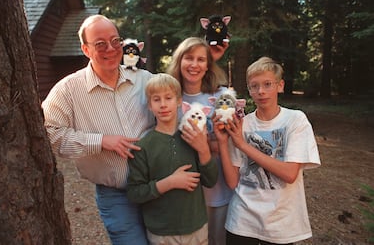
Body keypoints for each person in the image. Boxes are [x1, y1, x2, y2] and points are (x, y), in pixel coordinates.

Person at [41, 15, 155, 245]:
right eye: (100, 44)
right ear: (85, 49)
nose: (111, 49)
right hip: (116, 195)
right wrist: (101, 141)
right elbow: (49, 134)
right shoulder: (68, 90)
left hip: (157, 188)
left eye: (115, 41)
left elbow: (174, 114)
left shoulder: (146, 80)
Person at [213, 56, 321, 245]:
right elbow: (232, 182)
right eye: (254, 86)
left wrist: (243, 145)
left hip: (281, 227)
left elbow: (289, 174)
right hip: (241, 223)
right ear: (249, 90)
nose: (261, 91)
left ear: (280, 86)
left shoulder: (295, 120)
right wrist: (223, 142)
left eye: (268, 84)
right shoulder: (242, 124)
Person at [127, 73, 218, 245]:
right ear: (149, 105)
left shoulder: (192, 137)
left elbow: (211, 180)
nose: (163, 105)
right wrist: (169, 182)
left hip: (196, 228)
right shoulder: (143, 146)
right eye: (156, 99)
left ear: (179, 102)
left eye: (168, 98)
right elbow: (134, 193)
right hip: (162, 234)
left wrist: (204, 149)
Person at [166, 37, 233, 245]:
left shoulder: (223, 95)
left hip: (219, 189)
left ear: (208, 65)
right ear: (179, 61)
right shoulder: (168, 97)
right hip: (184, 193)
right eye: (189, 58)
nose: (194, 65)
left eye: (201, 59)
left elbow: (233, 143)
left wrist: (208, 144)